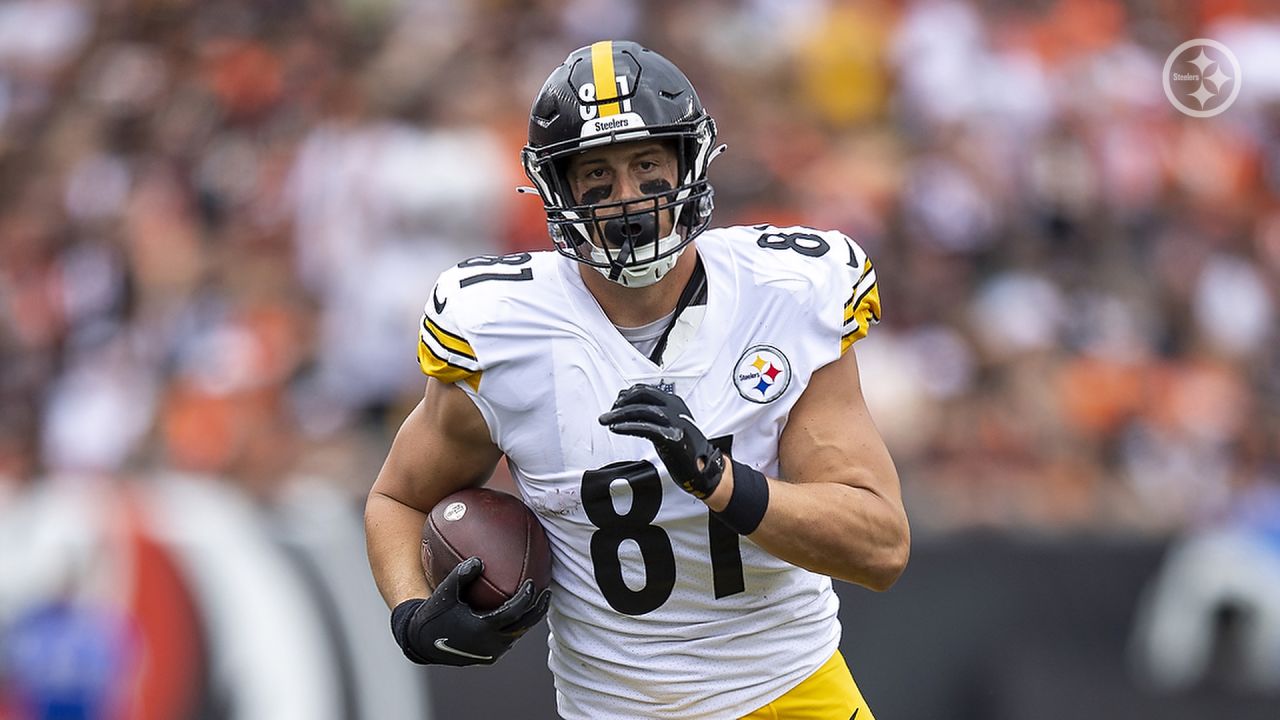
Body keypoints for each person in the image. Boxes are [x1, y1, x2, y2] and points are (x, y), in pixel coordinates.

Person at [365, 40, 910, 719]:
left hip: (790, 694)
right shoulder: (501, 330)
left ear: (691, 163)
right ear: (557, 189)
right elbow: (398, 499)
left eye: (647, 163)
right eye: (596, 173)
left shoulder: (785, 295)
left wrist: (718, 479)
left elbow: (879, 545)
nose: (626, 196)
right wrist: (413, 612)